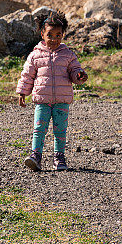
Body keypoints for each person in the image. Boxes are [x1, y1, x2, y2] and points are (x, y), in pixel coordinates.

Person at [17, 10, 88, 171]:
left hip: (62, 101)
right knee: (39, 129)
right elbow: (27, 75)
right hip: (42, 101)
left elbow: (75, 71)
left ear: (62, 35)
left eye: (58, 35)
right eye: (50, 35)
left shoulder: (68, 55)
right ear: (42, 34)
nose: (54, 39)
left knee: (60, 130)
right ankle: (36, 156)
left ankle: (59, 157)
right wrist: (22, 92)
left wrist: (79, 76)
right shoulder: (35, 55)